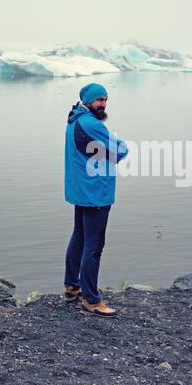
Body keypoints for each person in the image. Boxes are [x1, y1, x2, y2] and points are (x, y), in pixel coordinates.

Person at [64, 83, 128, 317]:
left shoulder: (74, 120)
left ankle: (72, 286)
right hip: (95, 192)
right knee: (94, 246)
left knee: (79, 238)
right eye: (99, 99)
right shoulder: (91, 124)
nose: (103, 104)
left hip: (81, 189)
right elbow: (120, 150)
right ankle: (91, 300)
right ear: (89, 100)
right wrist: (120, 147)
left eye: (106, 100)